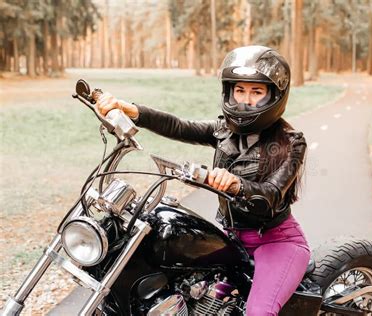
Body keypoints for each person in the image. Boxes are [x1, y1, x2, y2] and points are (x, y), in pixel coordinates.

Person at [97, 45, 310, 315]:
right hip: (229, 238)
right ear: (229, 91)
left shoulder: (291, 143)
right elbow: (178, 126)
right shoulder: (223, 131)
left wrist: (236, 184)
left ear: (274, 95)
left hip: (274, 241)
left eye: (256, 92)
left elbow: (271, 195)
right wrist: (132, 111)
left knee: (258, 312)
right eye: (240, 90)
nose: (245, 100)